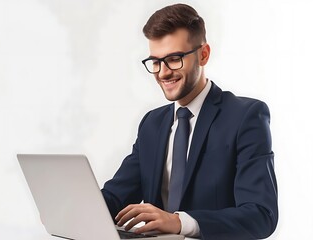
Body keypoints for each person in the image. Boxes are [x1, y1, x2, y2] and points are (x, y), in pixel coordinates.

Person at [101, 3, 278, 240]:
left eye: (174, 59)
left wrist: (179, 222)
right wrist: (71, 209)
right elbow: (115, 196)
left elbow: (260, 215)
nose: (163, 73)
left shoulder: (245, 117)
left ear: (203, 55)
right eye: (156, 61)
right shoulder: (152, 124)